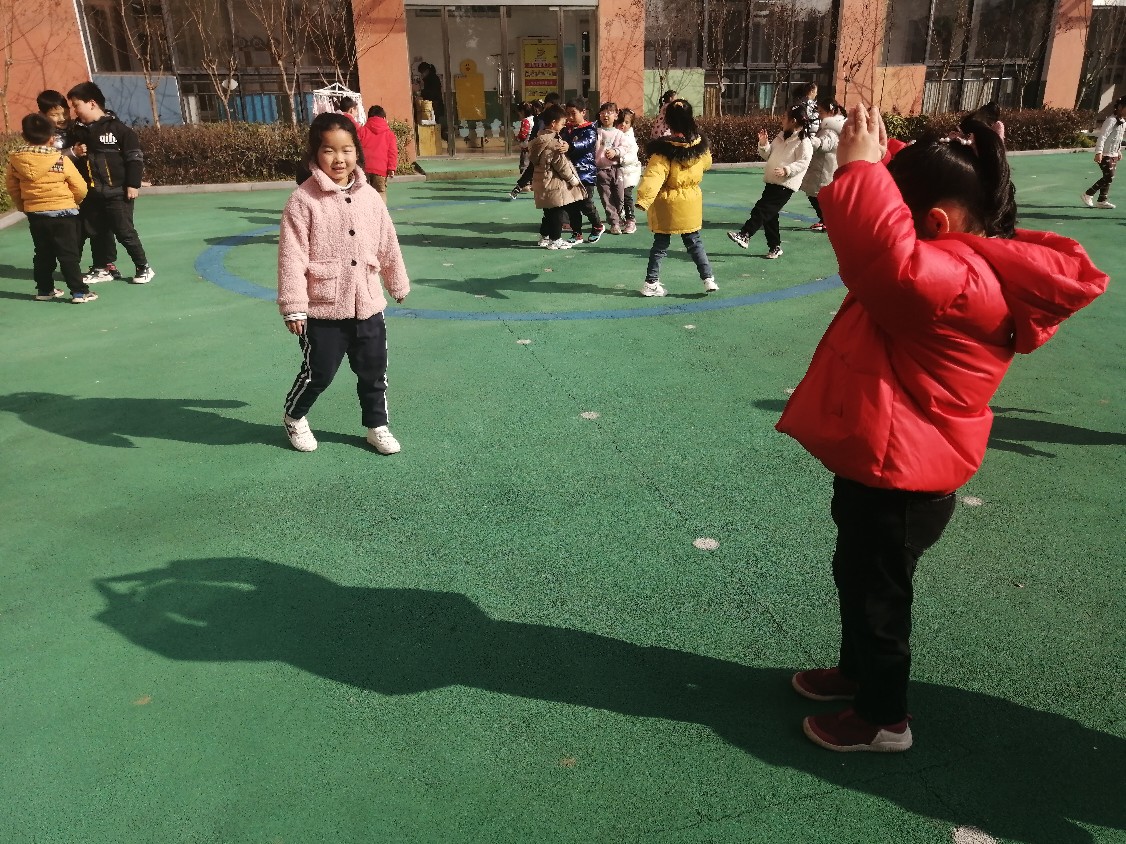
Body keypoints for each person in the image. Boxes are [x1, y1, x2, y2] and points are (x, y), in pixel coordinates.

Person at [777, 104, 1108, 753]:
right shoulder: (958, 256)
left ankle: (883, 719)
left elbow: (886, 256)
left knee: (880, 599)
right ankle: (856, 673)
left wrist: (861, 175)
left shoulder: (955, 283)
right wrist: (881, 154)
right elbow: (910, 214)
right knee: (857, 575)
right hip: (885, 460)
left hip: (903, 476)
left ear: (931, 223)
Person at [277, 112, 410, 455]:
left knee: (374, 370)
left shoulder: (370, 197)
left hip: (368, 303)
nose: (339, 158)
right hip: (323, 307)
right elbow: (292, 256)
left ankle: (377, 426)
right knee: (318, 372)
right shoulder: (303, 200)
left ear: (357, 152)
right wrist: (294, 306)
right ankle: (294, 416)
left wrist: (396, 281)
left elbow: (387, 242)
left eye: (347, 150)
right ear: (315, 153)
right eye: (329, 150)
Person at [66, 81, 154, 285]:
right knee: (96, 231)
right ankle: (102, 268)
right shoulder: (77, 131)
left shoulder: (119, 130)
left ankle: (143, 267)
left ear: (92, 103)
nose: (74, 111)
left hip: (117, 192)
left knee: (124, 232)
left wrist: (133, 184)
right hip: (92, 193)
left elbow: (134, 158)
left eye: (76, 105)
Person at [5, 113, 95, 303]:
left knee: (43, 253)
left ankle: (45, 290)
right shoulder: (60, 159)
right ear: (52, 138)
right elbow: (80, 187)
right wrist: (74, 202)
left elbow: (12, 188)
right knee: (68, 254)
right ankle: (79, 292)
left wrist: (23, 205)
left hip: (36, 214)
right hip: (64, 213)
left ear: (24, 136)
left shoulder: (15, 162)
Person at [635, 99, 716, 297]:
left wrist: (643, 199)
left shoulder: (663, 151)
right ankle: (708, 279)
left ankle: (651, 282)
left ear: (668, 122)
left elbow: (653, 176)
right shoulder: (699, 145)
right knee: (695, 242)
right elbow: (707, 163)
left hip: (667, 204)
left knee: (660, 245)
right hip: (690, 202)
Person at [727, 104, 813, 259]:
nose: (782, 120)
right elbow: (768, 155)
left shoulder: (803, 141)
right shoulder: (781, 137)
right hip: (772, 180)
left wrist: (787, 170)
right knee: (770, 216)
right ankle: (775, 247)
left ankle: (745, 234)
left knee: (761, 210)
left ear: (793, 121)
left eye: (785, 117)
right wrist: (763, 144)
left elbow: (804, 162)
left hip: (785, 184)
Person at [530, 104, 586, 250]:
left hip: (542, 180)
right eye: (562, 123)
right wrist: (572, 179)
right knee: (557, 212)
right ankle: (555, 239)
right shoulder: (554, 143)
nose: (563, 126)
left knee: (548, 212)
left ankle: (544, 236)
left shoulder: (539, 139)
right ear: (554, 123)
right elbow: (561, 165)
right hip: (554, 182)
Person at [561, 96, 604, 243]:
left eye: (573, 113)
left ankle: (597, 225)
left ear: (583, 112)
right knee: (571, 205)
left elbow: (587, 143)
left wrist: (571, 146)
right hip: (570, 173)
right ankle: (576, 233)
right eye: (568, 114)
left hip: (586, 173)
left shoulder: (589, 129)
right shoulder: (567, 130)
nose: (570, 117)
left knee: (585, 203)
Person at [799, 99, 846, 232]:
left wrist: (809, 139)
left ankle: (826, 221)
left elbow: (825, 144)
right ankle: (825, 220)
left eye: (821, 111)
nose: (819, 114)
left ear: (831, 112)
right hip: (823, 166)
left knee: (817, 196)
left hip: (824, 168)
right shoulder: (831, 127)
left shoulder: (832, 129)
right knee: (816, 195)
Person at [508, 93, 560, 198]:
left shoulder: (559, 116)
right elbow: (536, 132)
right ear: (547, 104)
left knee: (557, 169)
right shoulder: (540, 118)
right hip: (541, 146)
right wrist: (533, 144)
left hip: (554, 148)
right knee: (532, 167)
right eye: (551, 104)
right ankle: (519, 186)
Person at [1081, 95, 1126, 209]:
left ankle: (1102, 200)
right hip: (1105, 154)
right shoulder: (1111, 120)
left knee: (1109, 177)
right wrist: (1099, 152)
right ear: (1120, 107)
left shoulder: (1123, 122)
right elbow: (1102, 136)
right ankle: (1088, 194)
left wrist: (1118, 151)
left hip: (1113, 154)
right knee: (1109, 176)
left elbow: (1118, 138)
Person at [593, 101, 627, 234]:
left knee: (619, 196)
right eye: (603, 113)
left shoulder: (619, 134)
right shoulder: (596, 132)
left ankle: (620, 215)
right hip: (601, 170)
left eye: (609, 112)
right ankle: (614, 223)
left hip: (616, 169)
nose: (605, 115)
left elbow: (624, 148)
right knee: (606, 197)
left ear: (616, 115)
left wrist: (615, 152)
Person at [358, 104, 399, 204]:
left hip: (364, 168)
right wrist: (391, 168)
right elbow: (392, 152)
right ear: (384, 118)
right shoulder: (389, 134)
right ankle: (380, 211)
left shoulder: (362, 131)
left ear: (368, 117)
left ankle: (366, 211)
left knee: (363, 193)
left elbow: (356, 148)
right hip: (381, 169)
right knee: (380, 192)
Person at [615, 108, 642, 234]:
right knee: (616, 196)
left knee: (626, 195)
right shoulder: (614, 135)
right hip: (618, 172)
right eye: (621, 122)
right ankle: (620, 217)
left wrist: (620, 159)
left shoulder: (629, 138)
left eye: (626, 122)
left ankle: (631, 220)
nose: (623, 125)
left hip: (629, 172)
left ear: (631, 124)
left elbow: (632, 156)